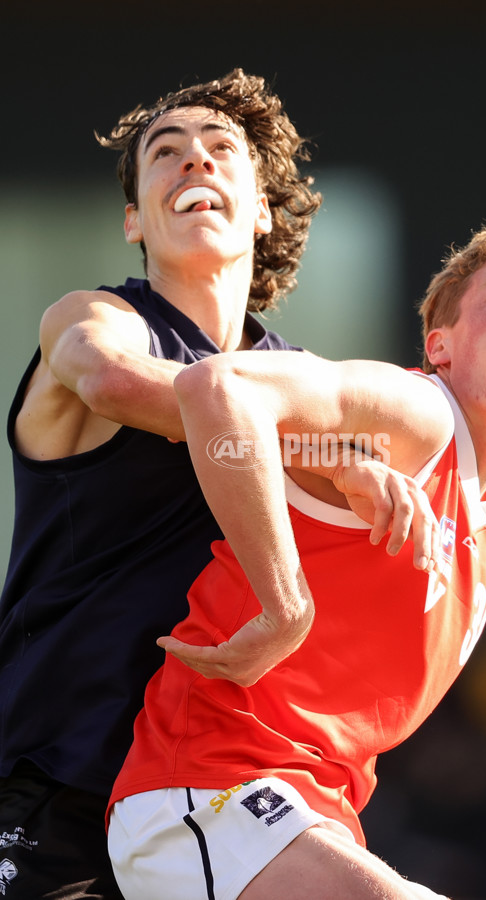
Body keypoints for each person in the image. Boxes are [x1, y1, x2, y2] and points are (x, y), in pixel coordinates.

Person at [105, 212, 486, 900]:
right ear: (441, 345)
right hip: (205, 795)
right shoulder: (420, 412)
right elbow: (217, 389)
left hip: (311, 821)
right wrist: (286, 606)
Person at [0, 68, 333, 899]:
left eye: (222, 150)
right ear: (131, 220)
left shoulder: (289, 375)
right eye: (167, 153)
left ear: (261, 208)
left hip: (206, 795)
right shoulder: (95, 319)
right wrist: (327, 462)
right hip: (58, 777)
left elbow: (375, 443)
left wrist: (360, 461)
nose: (194, 163)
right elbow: (113, 383)